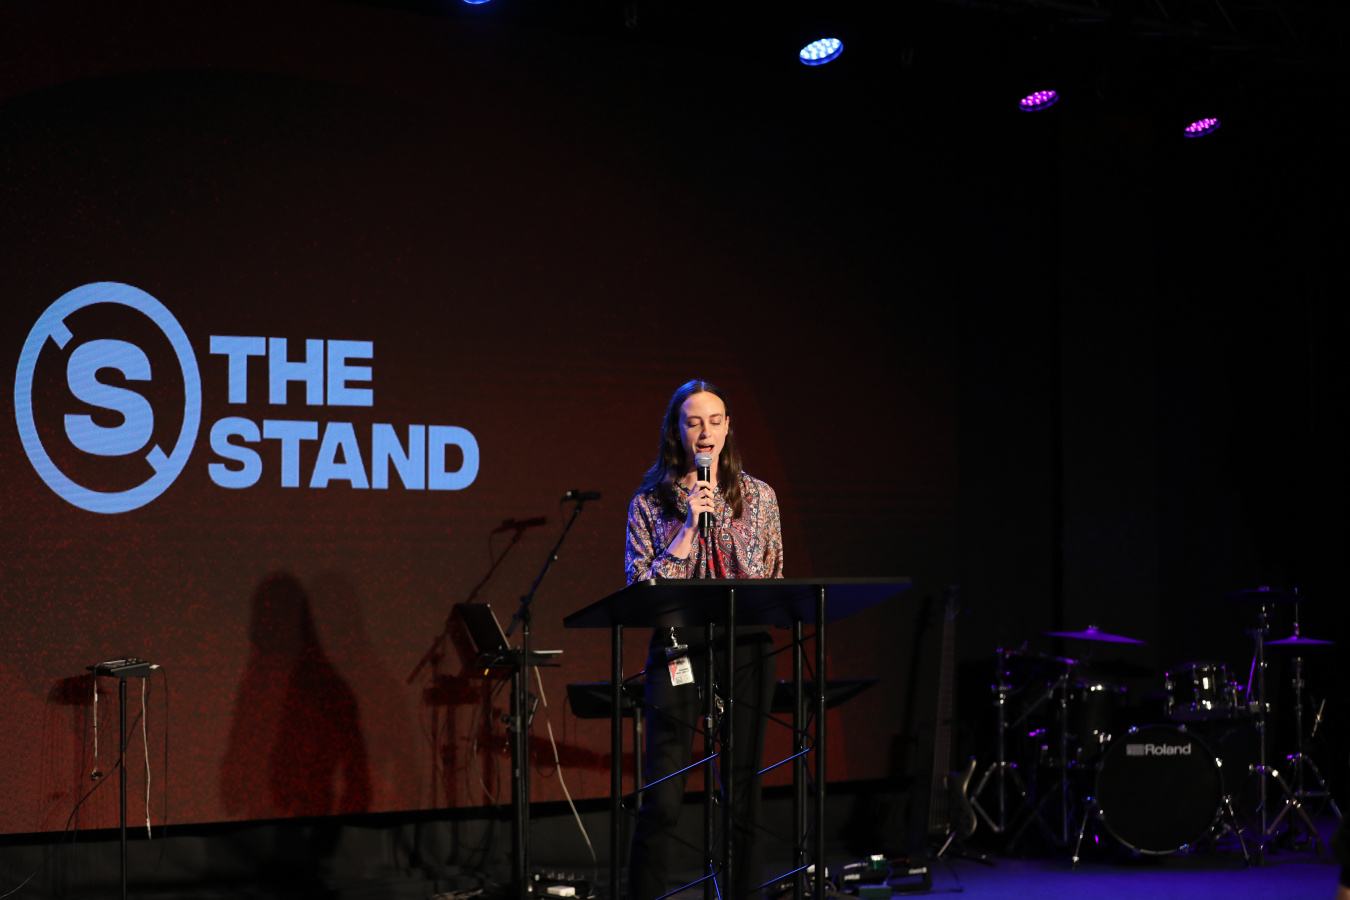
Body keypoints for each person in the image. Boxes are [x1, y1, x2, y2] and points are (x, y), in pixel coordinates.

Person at [625, 379, 784, 900]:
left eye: (715, 421)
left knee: (742, 792)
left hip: (745, 642)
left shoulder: (759, 497)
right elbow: (641, 588)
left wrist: (726, 526)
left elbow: (769, 575)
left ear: (728, 428)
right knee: (664, 795)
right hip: (678, 643)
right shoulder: (649, 503)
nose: (705, 431)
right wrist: (689, 527)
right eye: (693, 422)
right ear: (677, 430)